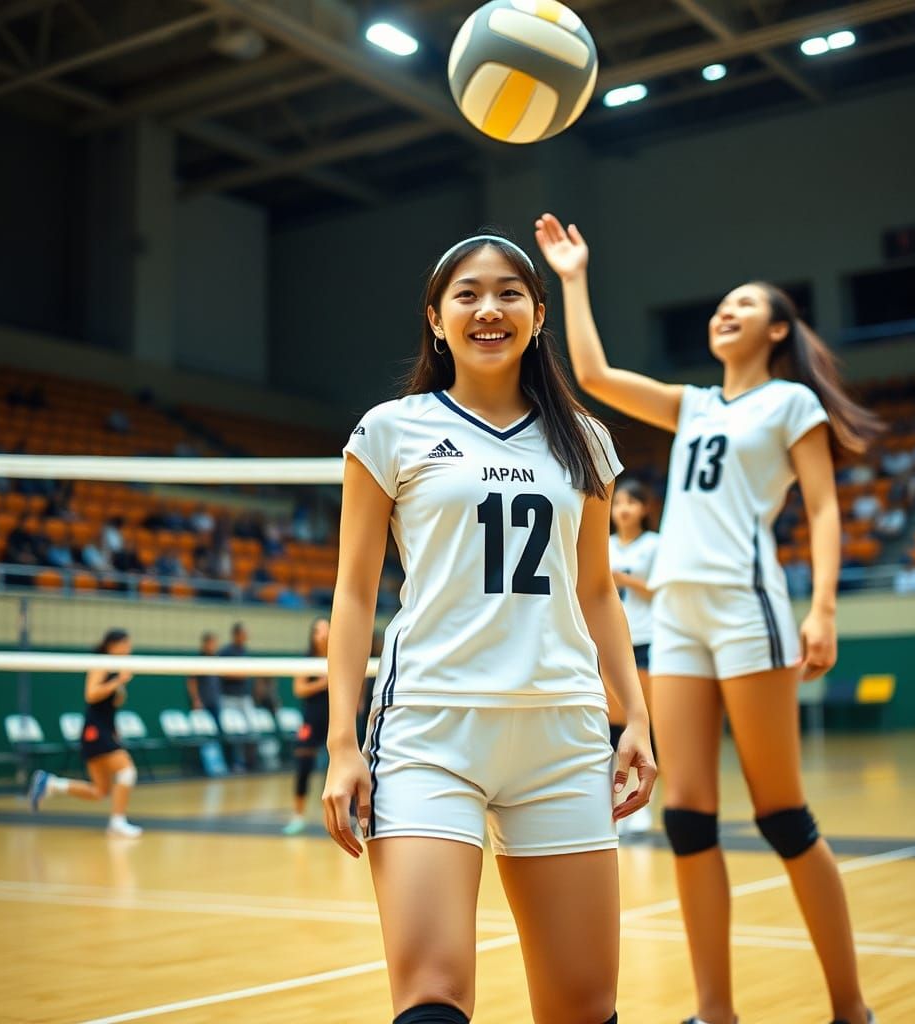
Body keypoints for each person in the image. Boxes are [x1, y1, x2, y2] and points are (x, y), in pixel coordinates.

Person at [535, 212, 880, 1024]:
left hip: (746, 607)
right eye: (721, 303)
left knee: (782, 815)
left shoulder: (791, 402)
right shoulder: (692, 404)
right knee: (688, 817)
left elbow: (825, 511)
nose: (726, 310)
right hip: (679, 619)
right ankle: (714, 1011)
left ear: (779, 328)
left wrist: (823, 608)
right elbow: (592, 372)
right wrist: (575, 277)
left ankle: (851, 1009)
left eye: (746, 304)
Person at [321, 232, 656, 1024]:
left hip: (562, 733)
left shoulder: (585, 441)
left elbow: (598, 593)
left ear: (538, 316)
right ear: (436, 320)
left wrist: (635, 714)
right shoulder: (389, 431)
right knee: (432, 998)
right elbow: (352, 596)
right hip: (431, 731)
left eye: (509, 292)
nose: (488, 308)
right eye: (466, 293)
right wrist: (341, 744)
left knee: (583, 1005)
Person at [27, 628, 142, 837]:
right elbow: (91, 694)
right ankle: (117, 823)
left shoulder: (116, 668)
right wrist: (118, 682)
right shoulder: (102, 664)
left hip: (103, 730)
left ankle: (51, 783)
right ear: (112, 646)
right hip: (94, 730)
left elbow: (109, 708)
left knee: (100, 791)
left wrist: (115, 730)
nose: (129, 649)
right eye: (126, 644)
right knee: (127, 772)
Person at [608, 477, 658, 835]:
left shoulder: (654, 545)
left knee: (642, 724)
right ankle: (618, 800)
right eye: (618, 502)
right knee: (612, 726)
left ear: (644, 508)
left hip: (646, 638)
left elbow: (662, 590)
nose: (623, 508)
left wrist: (624, 581)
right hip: (612, 642)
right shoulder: (603, 544)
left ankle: (644, 804)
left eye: (631, 502)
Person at [283, 616, 330, 836]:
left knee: (336, 770)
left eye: (326, 629)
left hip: (335, 719)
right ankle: (298, 815)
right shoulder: (307, 660)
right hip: (311, 719)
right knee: (303, 766)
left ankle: (340, 818)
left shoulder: (340, 656)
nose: (323, 634)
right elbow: (299, 689)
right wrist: (324, 682)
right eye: (318, 631)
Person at [219, 622, 257, 771]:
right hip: (229, 698)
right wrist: (239, 674)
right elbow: (221, 672)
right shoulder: (225, 652)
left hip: (244, 697)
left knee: (251, 729)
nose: (246, 637)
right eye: (243, 634)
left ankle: (251, 762)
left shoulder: (244, 651)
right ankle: (235, 763)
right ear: (236, 634)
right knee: (233, 731)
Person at [186, 631, 222, 729]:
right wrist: (196, 699)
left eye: (215, 643)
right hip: (202, 702)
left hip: (215, 701)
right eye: (211, 643)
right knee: (202, 729)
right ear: (205, 644)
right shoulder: (198, 660)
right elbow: (191, 681)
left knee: (217, 729)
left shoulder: (218, 660)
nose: (213, 646)